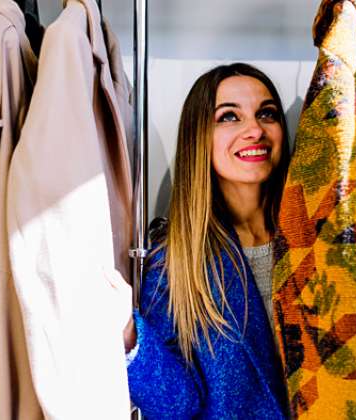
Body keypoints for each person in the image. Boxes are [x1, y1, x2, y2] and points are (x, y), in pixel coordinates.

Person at [123, 63, 291, 418]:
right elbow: (177, 404)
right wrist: (128, 335)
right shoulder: (173, 260)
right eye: (229, 117)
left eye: (267, 113)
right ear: (199, 136)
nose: (255, 130)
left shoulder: (317, 241)